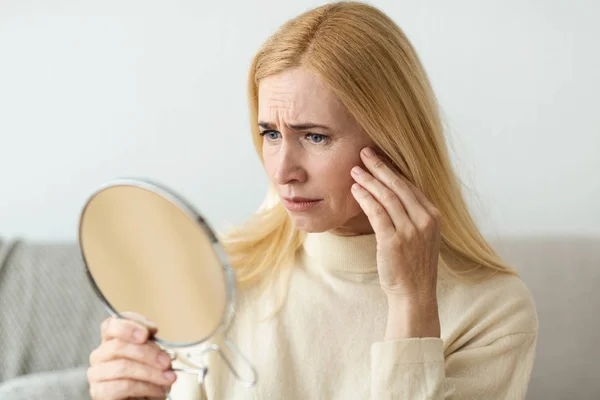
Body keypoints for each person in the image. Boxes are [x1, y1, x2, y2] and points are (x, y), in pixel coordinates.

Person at [87, 1, 538, 399]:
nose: (283, 171)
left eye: (316, 136)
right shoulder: (222, 277)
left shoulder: (493, 311)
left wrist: (411, 304)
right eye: (270, 134)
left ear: (394, 141)